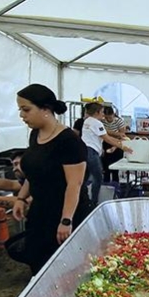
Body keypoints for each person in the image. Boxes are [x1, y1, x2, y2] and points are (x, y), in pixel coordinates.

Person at [12, 84, 93, 275]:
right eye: (20, 110)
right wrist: (21, 198)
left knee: (64, 269)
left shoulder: (69, 141)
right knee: (38, 263)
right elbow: (34, 174)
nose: (22, 115)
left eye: (26, 110)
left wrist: (66, 220)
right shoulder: (35, 135)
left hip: (64, 213)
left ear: (46, 110)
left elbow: (74, 184)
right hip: (40, 212)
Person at [80, 102, 131, 208]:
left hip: (84, 151)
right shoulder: (97, 123)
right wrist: (122, 146)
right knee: (98, 177)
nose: (103, 114)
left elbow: (102, 136)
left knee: (85, 178)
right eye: (102, 112)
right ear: (97, 112)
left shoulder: (87, 121)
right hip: (91, 152)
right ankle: (93, 203)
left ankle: (82, 200)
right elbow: (106, 138)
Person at [101, 106, 130, 183]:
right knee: (106, 168)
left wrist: (114, 147)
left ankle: (115, 186)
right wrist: (114, 134)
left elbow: (122, 136)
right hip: (106, 144)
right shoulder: (102, 122)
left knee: (115, 169)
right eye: (106, 118)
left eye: (110, 118)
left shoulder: (119, 121)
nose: (108, 119)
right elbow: (103, 134)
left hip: (117, 145)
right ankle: (106, 185)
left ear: (113, 114)